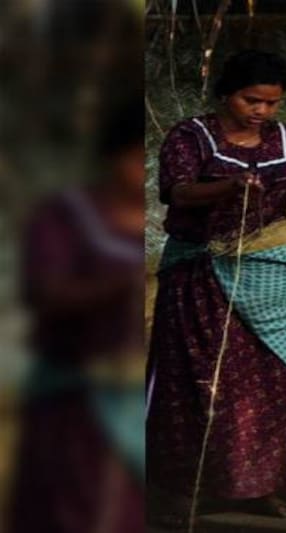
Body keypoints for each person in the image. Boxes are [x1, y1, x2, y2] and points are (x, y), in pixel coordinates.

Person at [146, 49, 286, 526]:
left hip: (268, 277)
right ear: (225, 94)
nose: (261, 111)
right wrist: (228, 188)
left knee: (270, 385)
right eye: (251, 100)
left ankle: (263, 488)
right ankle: (186, 491)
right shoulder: (191, 136)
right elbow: (177, 192)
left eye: (272, 103)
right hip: (202, 276)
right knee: (199, 383)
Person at [8, 100, 146, 533]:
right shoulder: (67, 215)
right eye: (139, 160)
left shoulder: (157, 221)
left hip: (139, 401)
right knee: (81, 510)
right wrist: (121, 286)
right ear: (113, 155)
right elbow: (44, 294)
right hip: (81, 398)